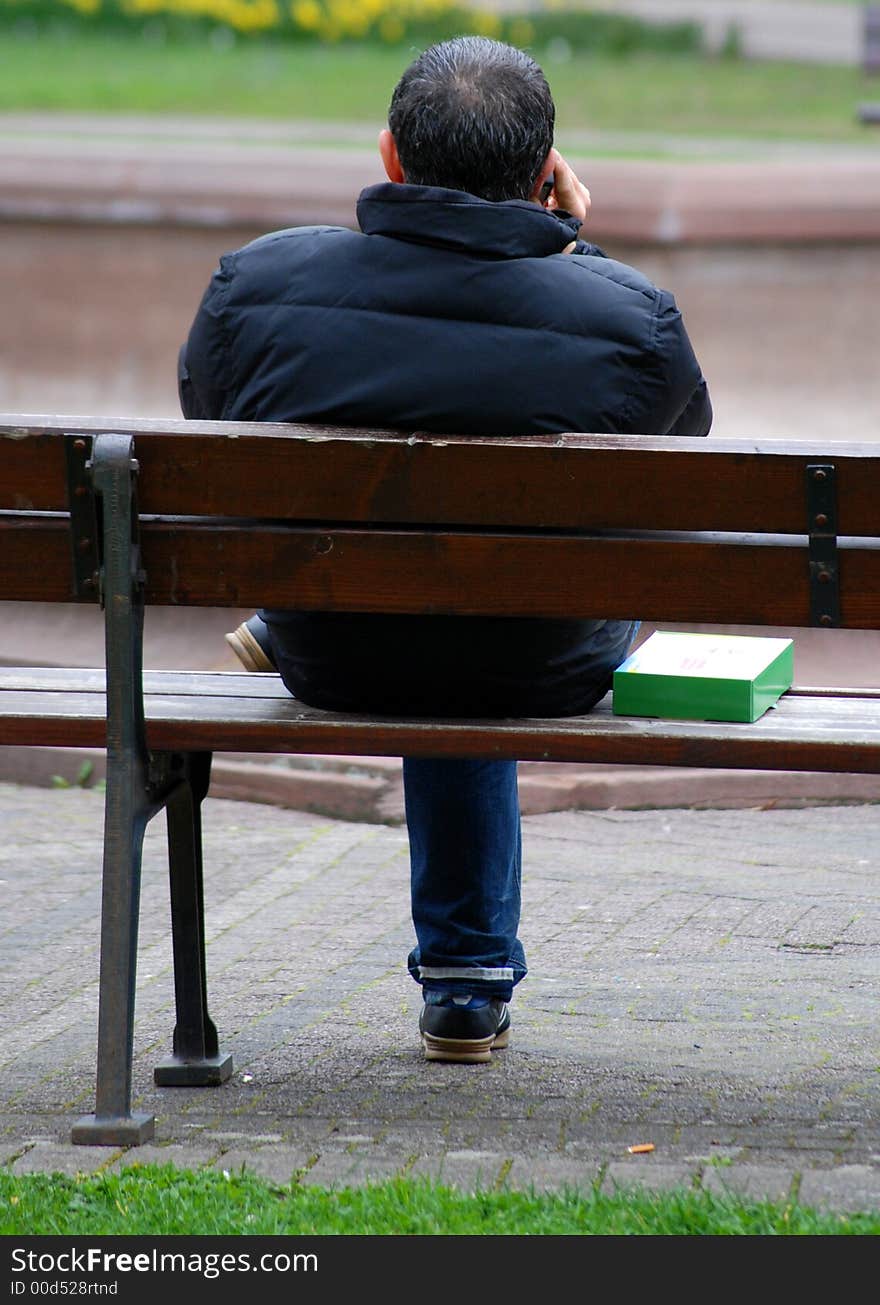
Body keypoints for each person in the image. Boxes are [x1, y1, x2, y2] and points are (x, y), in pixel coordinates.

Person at [178, 35, 712, 1064]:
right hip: (544, 658)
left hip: (332, 643)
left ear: (389, 157)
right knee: (489, 595)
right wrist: (569, 252)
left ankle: (269, 624)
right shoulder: (626, 314)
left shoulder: (253, 285)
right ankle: (466, 981)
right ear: (546, 174)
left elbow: (206, 418)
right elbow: (674, 451)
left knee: (419, 586)